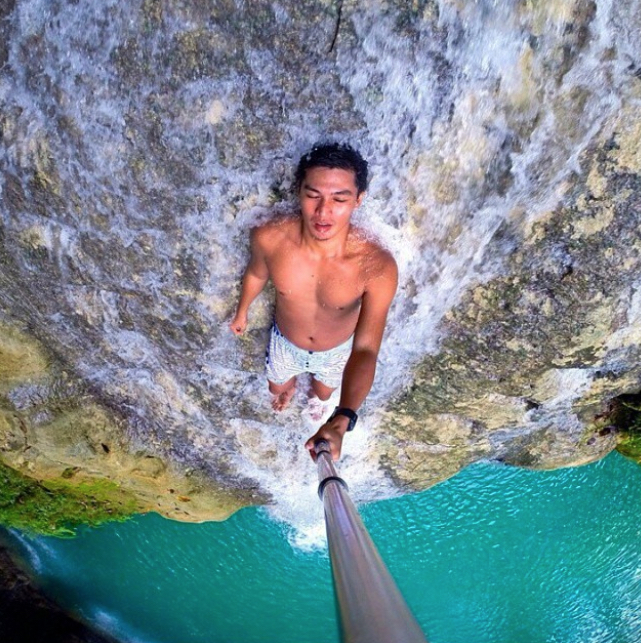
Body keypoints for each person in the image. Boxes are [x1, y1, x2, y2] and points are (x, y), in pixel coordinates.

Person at [229, 143, 398, 460]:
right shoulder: (270, 237)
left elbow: (365, 349)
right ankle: (288, 389)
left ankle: (319, 402)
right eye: (313, 195)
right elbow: (256, 273)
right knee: (277, 387)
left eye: (339, 199)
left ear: (358, 200)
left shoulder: (376, 267)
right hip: (285, 341)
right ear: (298, 191)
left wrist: (342, 418)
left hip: (336, 352)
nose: (324, 212)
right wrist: (242, 312)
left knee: (323, 395)